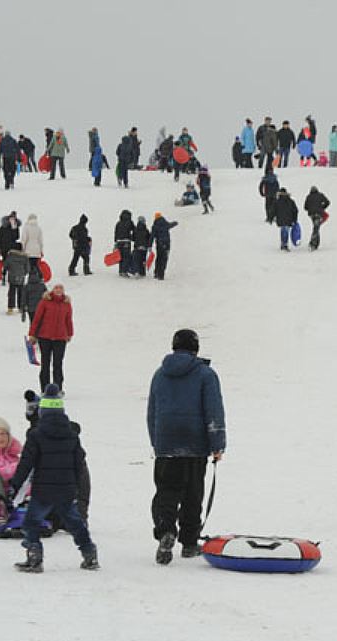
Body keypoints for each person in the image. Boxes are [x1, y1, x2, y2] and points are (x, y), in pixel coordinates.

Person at [148, 329, 226, 564]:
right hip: (195, 442)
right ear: (195, 348)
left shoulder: (160, 374)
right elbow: (213, 411)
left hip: (167, 441)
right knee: (193, 492)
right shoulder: (206, 374)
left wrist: (156, 441)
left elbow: (152, 411)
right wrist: (217, 443)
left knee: (166, 491)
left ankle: (166, 531)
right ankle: (189, 542)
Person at [9, 385, 97, 572]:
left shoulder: (36, 435)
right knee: (75, 523)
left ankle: (35, 556)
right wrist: (76, 488)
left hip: (43, 490)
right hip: (66, 489)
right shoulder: (72, 436)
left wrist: (13, 486)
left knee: (31, 523)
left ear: (42, 412)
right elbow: (79, 463)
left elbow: (26, 464)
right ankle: (89, 553)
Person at [28, 284, 73, 393]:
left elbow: (68, 320)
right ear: (52, 290)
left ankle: (58, 388)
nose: (58, 290)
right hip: (45, 337)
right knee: (45, 363)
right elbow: (37, 319)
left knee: (58, 364)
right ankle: (45, 388)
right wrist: (32, 334)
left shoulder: (66, 304)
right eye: (56, 288)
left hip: (60, 338)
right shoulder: (45, 302)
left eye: (61, 288)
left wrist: (69, 333)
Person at [150, 212, 179, 280]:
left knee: (159, 258)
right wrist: (175, 223)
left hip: (159, 244)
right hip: (167, 244)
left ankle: (156, 273)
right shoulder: (165, 224)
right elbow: (171, 225)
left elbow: (152, 236)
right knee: (164, 259)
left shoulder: (155, 226)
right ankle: (161, 274)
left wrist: (149, 245)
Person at [4, 242, 29, 316]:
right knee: (21, 292)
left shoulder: (10, 256)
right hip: (21, 276)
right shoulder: (25, 257)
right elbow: (27, 268)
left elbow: (6, 265)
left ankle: (10, 308)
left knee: (11, 292)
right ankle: (21, 307)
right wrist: (24, 273)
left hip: (12, 276)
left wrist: (7, 270)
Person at [303, 186, 330, 251]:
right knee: (316, 228)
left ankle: (314, 243)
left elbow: (305, 207)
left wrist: (310, 209)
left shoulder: (308, 196)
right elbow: (327, 202)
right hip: (319, 213)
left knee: (316, 227)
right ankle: (314, 243)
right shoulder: (320, 195)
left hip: (312, 214)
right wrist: (322, 207)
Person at [114, 210, 135, 277]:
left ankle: (120, 271)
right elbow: (134, 230)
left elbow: (116, 233)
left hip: (119, 241)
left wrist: (116, 242)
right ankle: (124, 271)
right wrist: (132, 238)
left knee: (120, 256)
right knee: (126, 256)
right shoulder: (130, 222)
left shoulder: (118, 223)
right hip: (126, 241)